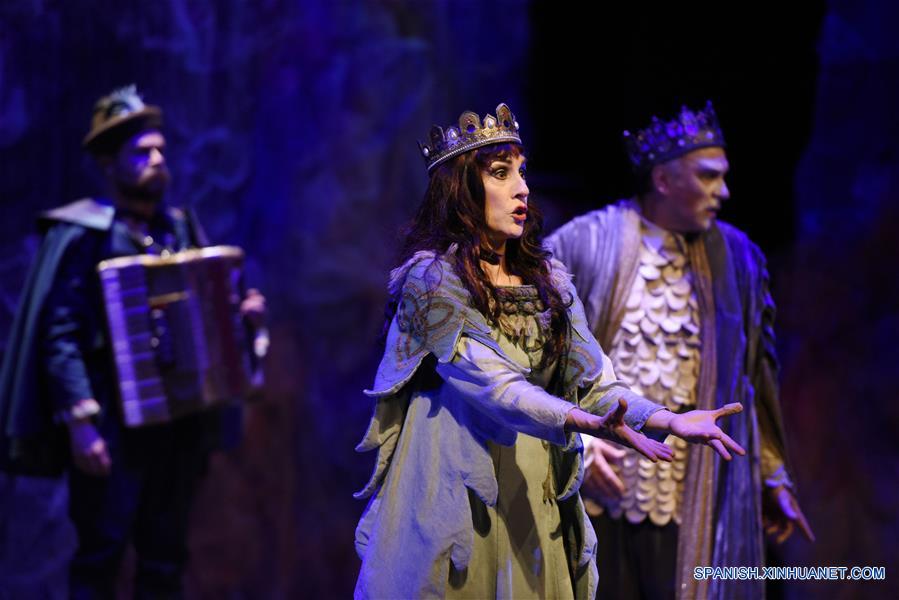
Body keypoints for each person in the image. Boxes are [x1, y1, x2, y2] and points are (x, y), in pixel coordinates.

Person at [353, 103, 747, 599]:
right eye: (501, 174)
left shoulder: (548, 279)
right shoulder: (431, 279)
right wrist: (581, 422)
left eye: (522, 172)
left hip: (530, 479)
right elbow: (494, 386)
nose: (522, 188)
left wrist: (667, 419)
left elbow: (595, 380)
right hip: (454, 481)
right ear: (461, 191)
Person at [0, 85, 265, 598]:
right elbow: (60, 334)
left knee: (165, 559)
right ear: (108, 162)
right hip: (113, 426)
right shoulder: (85, 234)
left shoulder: (180, 228)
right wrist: (80, 423)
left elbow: (209, 317)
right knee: (100, 556)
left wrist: (244, 317)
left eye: (160, 150)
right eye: (141, 152)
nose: (157, 159)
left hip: (179, 424)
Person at [546, 101, 814, 599]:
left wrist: (771, 474)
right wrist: (577, 443)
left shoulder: (738, 260)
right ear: (665, 180)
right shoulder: (584, 243)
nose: (724, 192)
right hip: (596, 489)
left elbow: (755, 377)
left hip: (692, 493)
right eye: (708, 177)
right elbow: (536, 361)